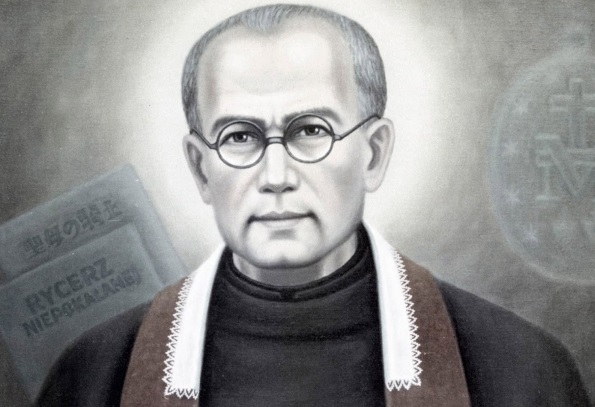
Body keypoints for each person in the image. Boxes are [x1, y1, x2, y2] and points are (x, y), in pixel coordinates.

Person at [37, 4, 591, 407]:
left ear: (373, 153)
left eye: (311, 131)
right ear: (199, 167)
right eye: (239, 137)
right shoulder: (95, 378)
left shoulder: (520, 372)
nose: (276, 177)